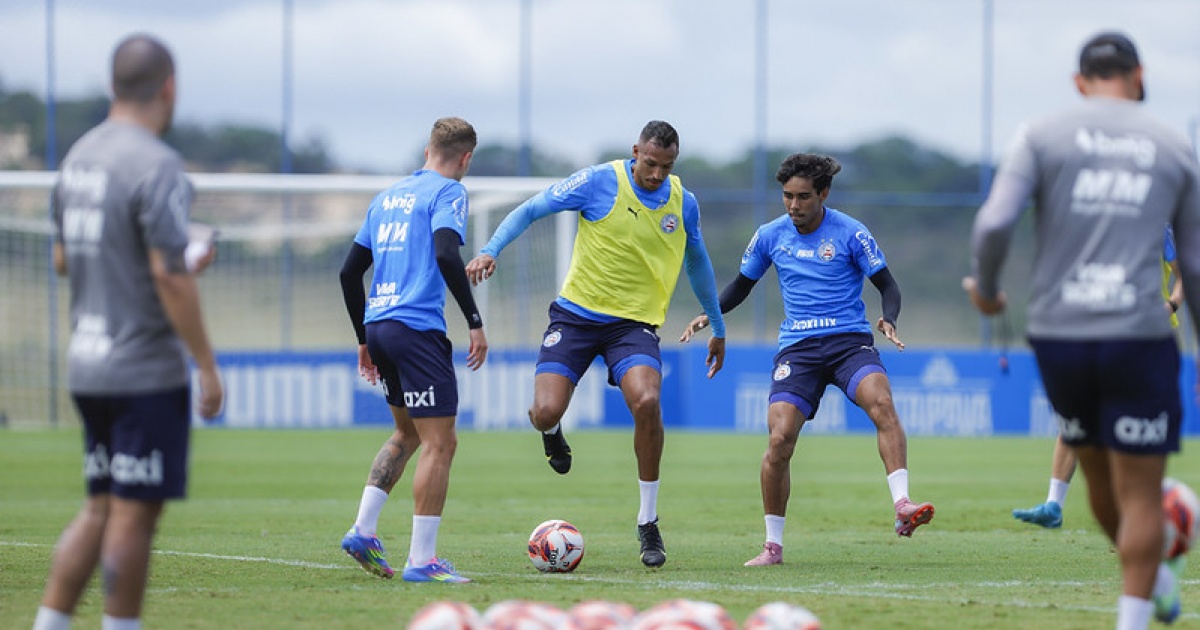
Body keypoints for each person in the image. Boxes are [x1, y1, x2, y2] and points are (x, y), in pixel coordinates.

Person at [967, 31, 1200, 628]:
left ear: (1079, 82)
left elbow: (994, 222)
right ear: (1139, 76)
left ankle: (1146, 586)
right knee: (1144, 493)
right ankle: (1143, 598)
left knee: (1098, 481)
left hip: (1059, 335)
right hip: (1141, 334)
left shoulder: (1040, 134)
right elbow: (1194, 265)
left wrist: (989, 290)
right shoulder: (1175, 146)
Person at [465, 120, 726, 568]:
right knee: (544, 411)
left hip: (633, 326)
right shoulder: (600, 181)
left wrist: (718, 326)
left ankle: (648, 521)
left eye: (666, 166)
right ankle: (552, 433)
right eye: (650, 163)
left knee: (647, 401)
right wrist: (491, 249)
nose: (657, 175)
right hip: (575, 316)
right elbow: (531, 209)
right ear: (635, 152)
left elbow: (697, 262)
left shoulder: (683, 203)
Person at [34, 34, 224, 630]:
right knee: (135, 517)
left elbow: (65, 260)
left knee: (97, 508)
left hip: (86, 361)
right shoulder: (157, 163)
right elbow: (168, 276)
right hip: (142, 368)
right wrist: (207, 366)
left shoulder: (78, 159)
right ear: (169, 87)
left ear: (113, 85)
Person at [680, 153, 935, 567]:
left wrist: (889, 318)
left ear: (823, 194)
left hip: (849, 343)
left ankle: (902, 505)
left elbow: (888, 285)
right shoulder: (769, 236)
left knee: (883, 404)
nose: (794, 206)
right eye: (787, 197)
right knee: (779, 439)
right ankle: (773, 546)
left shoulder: (851, 233)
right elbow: (742, 285)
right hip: (798, 349)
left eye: (802, 197)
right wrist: (711, 314)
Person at [337, 117, 488, 584]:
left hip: (380, 326)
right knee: (442, 442)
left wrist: (364, 337)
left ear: (428, 148)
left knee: (408, 435)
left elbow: (348, 272)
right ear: (465, 158)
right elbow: (446, 253)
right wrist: (475, 320)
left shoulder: (386, 198)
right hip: (417, 328)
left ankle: (363, 529)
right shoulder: (449, 193)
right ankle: (422, 561)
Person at [1012, 225, 1185, 530]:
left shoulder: (1157, 224)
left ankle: (1141, 513)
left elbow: (1185, 275)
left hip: (1148, 338)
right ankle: (1053, 504)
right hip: (1103, 334)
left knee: (1134, 426)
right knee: (1077, 415)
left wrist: (1170, 304)